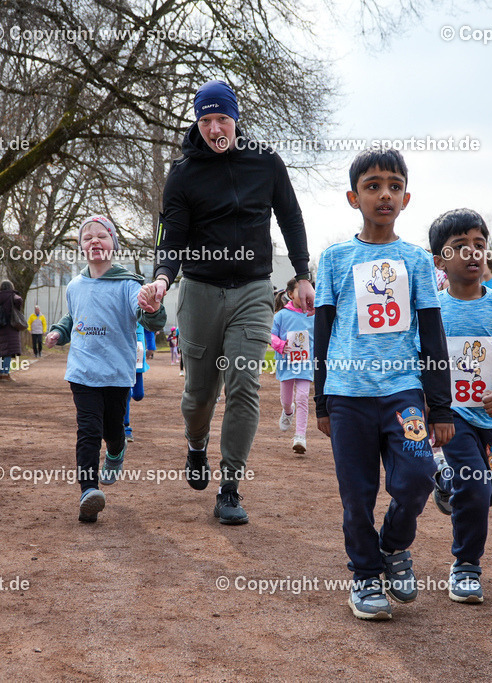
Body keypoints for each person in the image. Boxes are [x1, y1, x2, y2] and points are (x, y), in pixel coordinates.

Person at [142, 79, 313, 525]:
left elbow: (290, 216)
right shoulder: (183, 173)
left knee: (243, 385)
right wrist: (162, 278)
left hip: (253, 289)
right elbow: (171, 237)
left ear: (236, 118)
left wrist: (302, 274)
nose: (215, 128)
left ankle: (230, 488)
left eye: (222, 118)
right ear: (196, 123)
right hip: (199, 290)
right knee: (199, 394)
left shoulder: (265, 162)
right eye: (206, 120)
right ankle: (196, 444)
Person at [313, 149, 452, 621]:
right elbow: (323, 330)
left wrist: (441, 407)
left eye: (394, 186)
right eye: (372, 186)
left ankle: (393, 545)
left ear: (406, 198)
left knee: (417, 475)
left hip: (402, 391)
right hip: (347, 394)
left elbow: (432, 333)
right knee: (357, 494)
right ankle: (366, 576)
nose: (384, 194)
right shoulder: (335, 258)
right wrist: (321, 400)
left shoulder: (416, 260)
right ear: (354, 197)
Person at [429, 209, 492, 604]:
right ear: (440, 261)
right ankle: (466, 566)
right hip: (453, 417)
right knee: (476, 484)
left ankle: (445, 481)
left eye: (479, 244)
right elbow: (424, 363)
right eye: (460, 246)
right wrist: (434, 407)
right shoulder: (432, 308)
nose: (472, 252)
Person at [45, 216, 166, 523]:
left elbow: (148, 315)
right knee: (88, 431)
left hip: (116, 373)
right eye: (87, 238)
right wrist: (59, 331)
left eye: (102, 235)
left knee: (112, 428)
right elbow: (73, 317)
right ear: (81, 247)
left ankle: (115, 450)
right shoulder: (75, 285)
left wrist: (153, 307)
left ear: (114, 244)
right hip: (82, 371)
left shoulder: (129, 284)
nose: (94, 241)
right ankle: (88, 492)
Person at [271, 277, 315, 454]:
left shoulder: (313, 315)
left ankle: (300, 436)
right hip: (286, 364)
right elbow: (270, 336)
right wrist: (281, 345)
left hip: (306, 364)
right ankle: (288, 412)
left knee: (303, 397)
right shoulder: (281, 316)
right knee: (287, 400)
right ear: (290, 294)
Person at [123, 323, 154, 441]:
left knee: (138, 395)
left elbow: (149, 325)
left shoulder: (142, 312)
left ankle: (127, 393)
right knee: (125, 394)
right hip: (122, 351)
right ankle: (126, 427)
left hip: (138, 356)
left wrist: (151, 346)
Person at [0, 280, 23, 381]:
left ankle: (1, 374)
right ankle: (6, 373)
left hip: (0, 327)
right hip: (10, 327)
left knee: (1, 352)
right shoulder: (12, 296)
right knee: (8, 352)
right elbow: (19, 301)